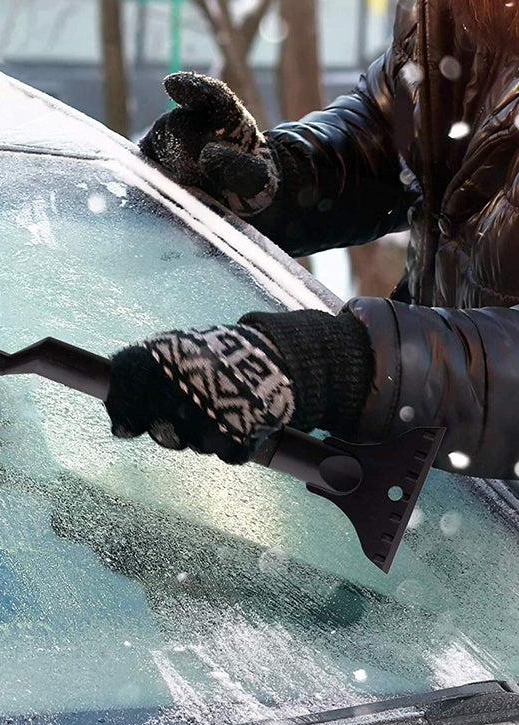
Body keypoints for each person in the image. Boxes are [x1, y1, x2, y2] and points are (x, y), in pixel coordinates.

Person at [106, 0, 519, 478]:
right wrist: (281, 179)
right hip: (443, 475)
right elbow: (395, 133)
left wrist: (341, 365)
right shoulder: (450, 13)